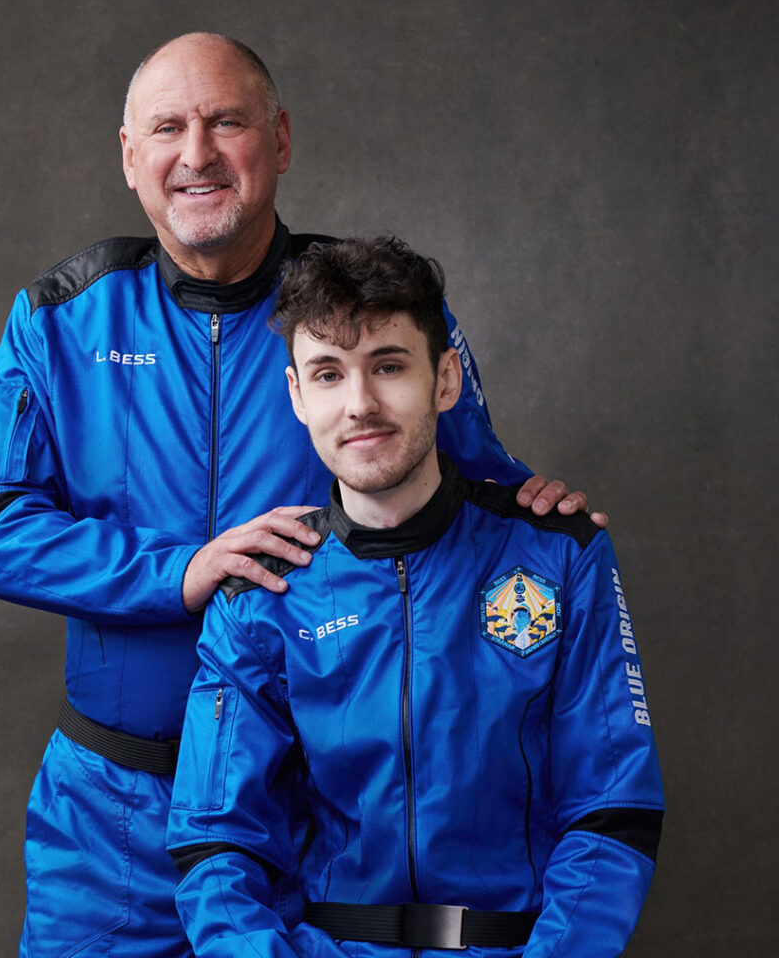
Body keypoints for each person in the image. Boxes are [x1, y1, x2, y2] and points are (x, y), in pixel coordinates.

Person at [0, 33, 600, 958]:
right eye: (167, 128)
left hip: (314, 824)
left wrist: (540, 511)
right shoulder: (63, 317)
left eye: (228, 122)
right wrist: (180, 574)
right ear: (129, 155)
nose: (198, 153)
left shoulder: (361, 305)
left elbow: (471, 490)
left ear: (280, 140)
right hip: (113, 819)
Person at [167, 238, 663, 958]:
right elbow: (217, 843)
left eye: (389, 366)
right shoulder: (261, 593)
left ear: (446, 379)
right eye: (329, 375)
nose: (360, 404)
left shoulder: (559, 555)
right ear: (298, 397)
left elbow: (613, 810)